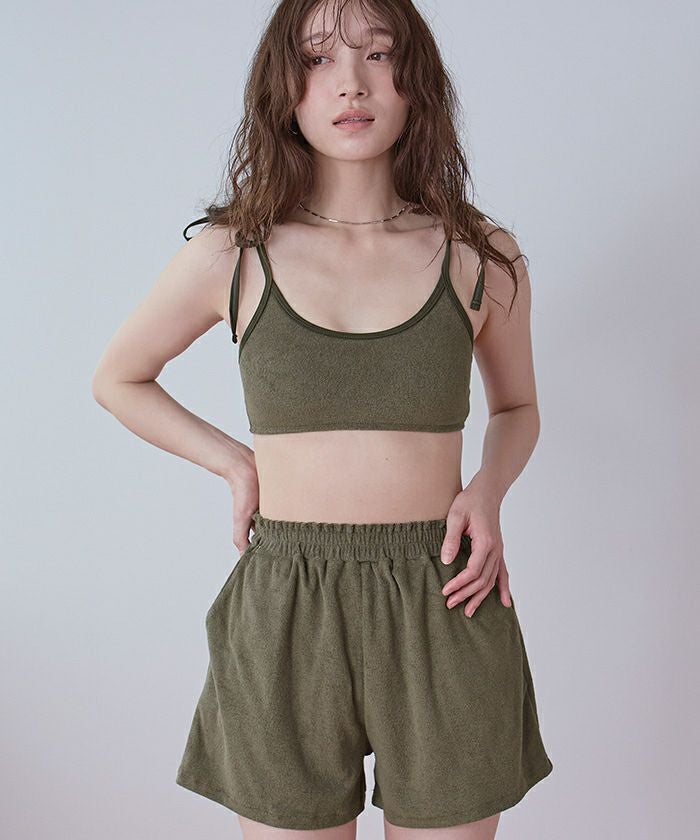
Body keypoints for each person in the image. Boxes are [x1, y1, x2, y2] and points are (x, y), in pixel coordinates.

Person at [91, 1, 554, 838]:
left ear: (415, 81)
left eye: (378, 53)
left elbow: (517, 407)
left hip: (446, 592)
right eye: (317, 59)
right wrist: (235, 463)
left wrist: (488, 491)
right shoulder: (232, 252)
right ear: (284, 89)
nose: (350, 83)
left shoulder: (478, 253)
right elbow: (120, 378)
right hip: (287, 604)